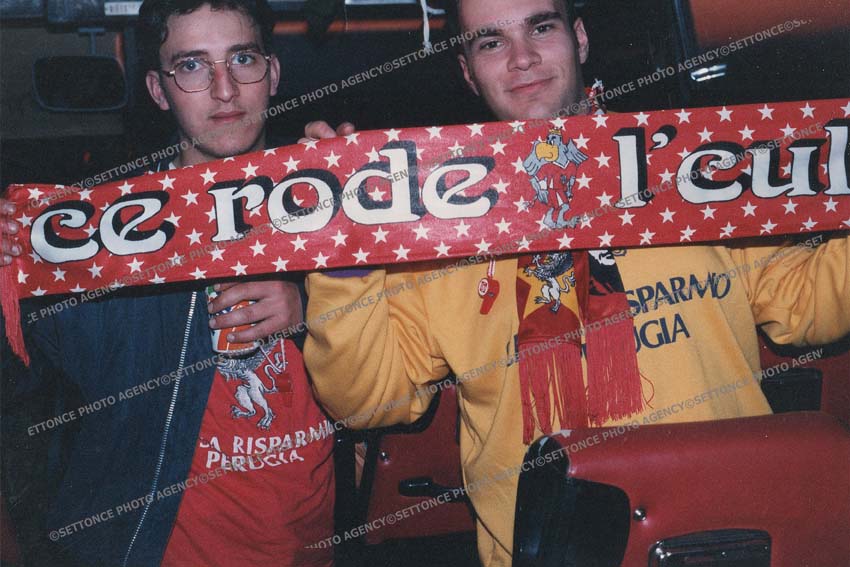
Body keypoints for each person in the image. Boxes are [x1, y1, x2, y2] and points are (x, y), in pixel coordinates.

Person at [300, 0, 850, 565]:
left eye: (541, 27)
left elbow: (808, 306)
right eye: (491, 42)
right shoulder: (434, 221)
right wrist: (343, 252)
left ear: (580, 38)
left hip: (726, 535)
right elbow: (369, 402)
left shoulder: (692, 168)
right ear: (467, 71)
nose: (522, 58)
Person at [1, 0, 334, 565]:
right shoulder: (107, 232)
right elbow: (24, 381)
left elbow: (397, 385)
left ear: (273, 73)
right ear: (159, 91)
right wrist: (12, 263)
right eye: (192, 65)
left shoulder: (331, 200)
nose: (225, 90)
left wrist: (318, 310)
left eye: (243, 59)